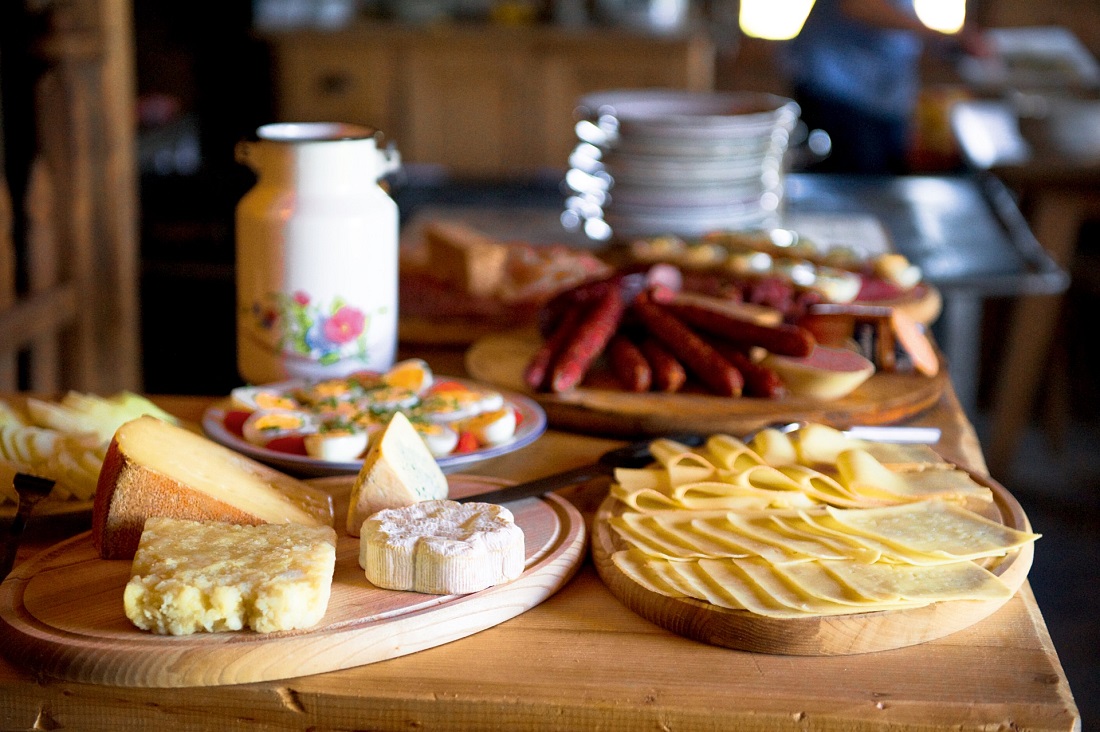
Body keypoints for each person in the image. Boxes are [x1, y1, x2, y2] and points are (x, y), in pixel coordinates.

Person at [781, 0, 989, 174]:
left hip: (879, 94)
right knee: (854, 189)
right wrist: (937, 33)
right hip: (839, 85)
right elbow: (858, 5)